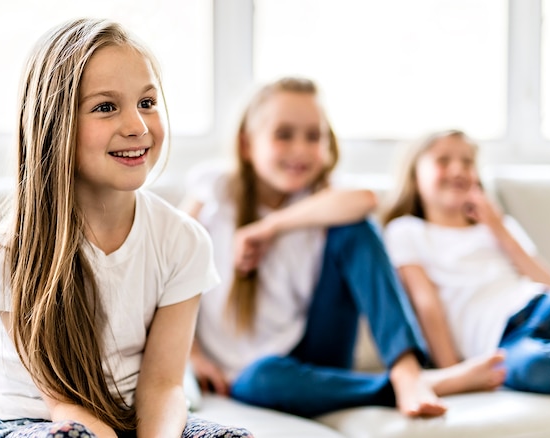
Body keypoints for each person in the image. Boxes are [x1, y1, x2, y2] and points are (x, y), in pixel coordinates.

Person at [0, 18, 252, 438]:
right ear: (55, 126)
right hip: (38, 422)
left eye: (147, 102)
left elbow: (163, 385)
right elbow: (60, 401)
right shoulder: (15, 249)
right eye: (106, 107)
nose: (138, 126)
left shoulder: (183, 241)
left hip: (134, 420)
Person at [181, 78, 505, 419]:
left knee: (356, 226)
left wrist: (270, 227)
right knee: (264, 379)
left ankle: (406, 369)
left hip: (317, 350)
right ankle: (418, 385)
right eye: (284, 134)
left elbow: (366, 201)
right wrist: (192, 355)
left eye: (313, 136)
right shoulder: (213, 191)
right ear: (247, 145)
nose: (301, 149)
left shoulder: (323, 201)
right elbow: (169, 276)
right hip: (248, 374)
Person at [381, 129, 550, 395]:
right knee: (540, 368)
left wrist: (497, 227)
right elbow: (426, 304)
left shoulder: (498, 225)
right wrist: (454, 371)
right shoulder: (407, 230)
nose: (457, 170)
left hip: (545, 309)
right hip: (503, 345)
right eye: (443, 161)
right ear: (414, 175)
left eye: (467, 162)